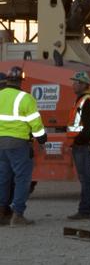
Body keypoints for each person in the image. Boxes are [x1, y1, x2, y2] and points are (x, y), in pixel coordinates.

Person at [0, 66, 46, 226]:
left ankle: (1, 214)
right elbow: (35, 123)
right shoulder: (25, 98)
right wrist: (42, 140)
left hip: (1, 144)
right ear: (21, 81)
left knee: (3, 178)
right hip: (18, 144)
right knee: (22, 179)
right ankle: (17, 215)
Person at [66, 70, 90, 221]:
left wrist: (78, 141)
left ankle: (85, 211)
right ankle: (85, 210)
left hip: (82, 146)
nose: (73, 84)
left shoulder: (86, 101)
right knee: (85, 178)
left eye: (77, 82)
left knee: (85, 179)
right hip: (81, 145)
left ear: (84, 84)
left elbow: (88, 129)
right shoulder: (83, 100)